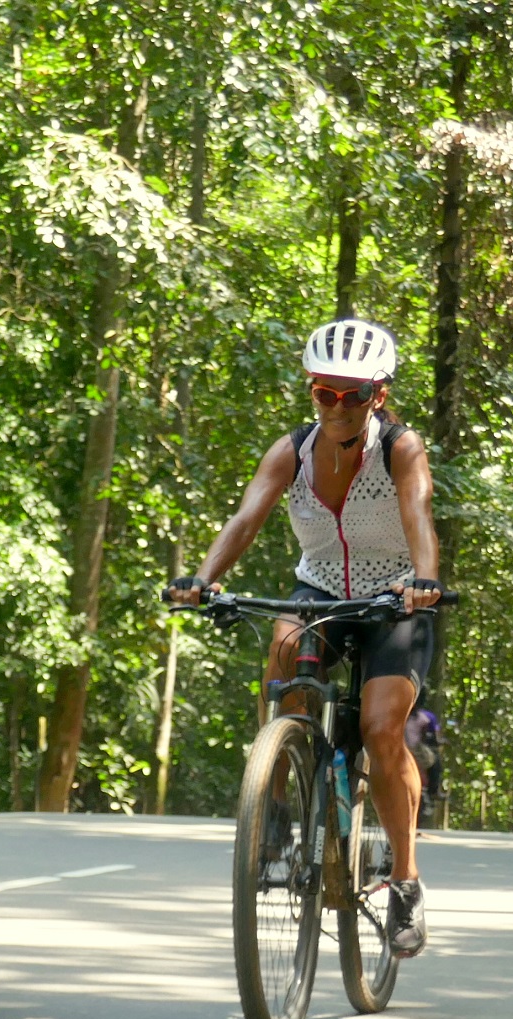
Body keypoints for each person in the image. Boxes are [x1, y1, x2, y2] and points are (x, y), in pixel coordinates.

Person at [166, 318, 442, 958]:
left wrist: (424, 579)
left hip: (393, 595)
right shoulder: (291, 449)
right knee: (285, 653)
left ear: (377, 394)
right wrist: (203, 580)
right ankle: (280, 809)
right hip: (319, 587)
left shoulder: (400, 447)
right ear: (312, 391)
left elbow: (418, 512)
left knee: (380, 726)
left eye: (352, 394)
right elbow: (247, 516)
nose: (337, 406)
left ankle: (404, 880)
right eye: (325, 392)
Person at [406, 707, 444, 820]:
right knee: (435, 763)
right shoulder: (425, 717)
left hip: (400, 747)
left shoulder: (398, 712)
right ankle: (434, 790)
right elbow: (433, 736)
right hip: (414, 749)